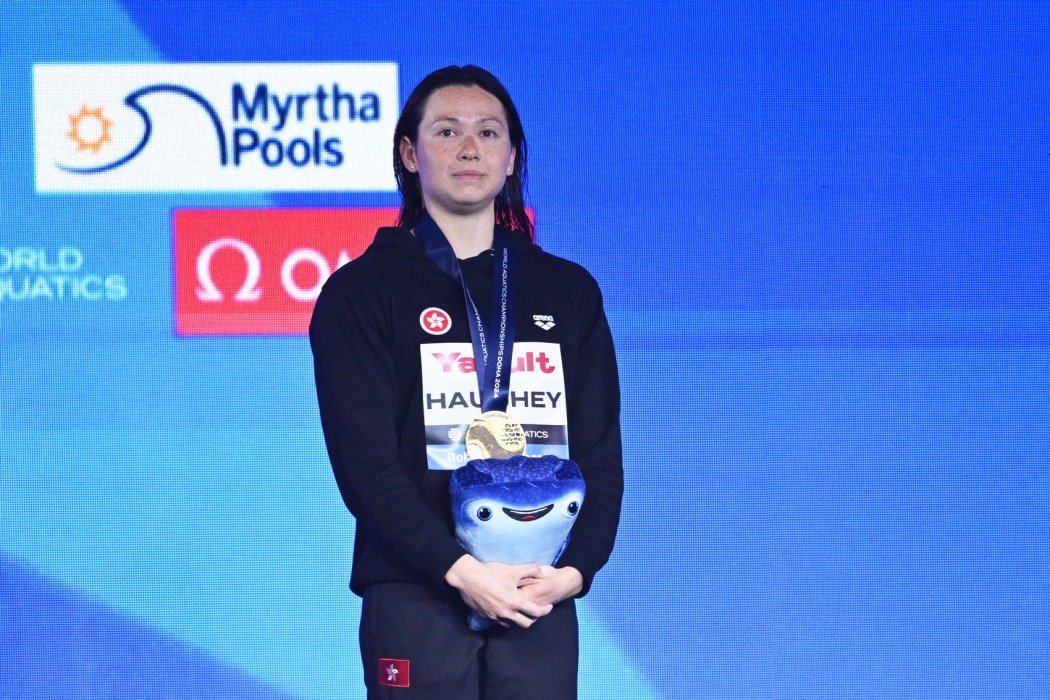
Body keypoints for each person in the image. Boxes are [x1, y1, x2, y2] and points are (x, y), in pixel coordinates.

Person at [310, 65, 623, 699]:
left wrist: (575, 573)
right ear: (409, 152)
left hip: (539, 587)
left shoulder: (567, 291)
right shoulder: (362, 293)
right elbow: (365, 465)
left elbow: (600, 452)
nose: (470, 148)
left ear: (512, 157)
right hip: (417, 587)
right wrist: (458, 569)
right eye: (447, 131)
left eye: (489, 132)